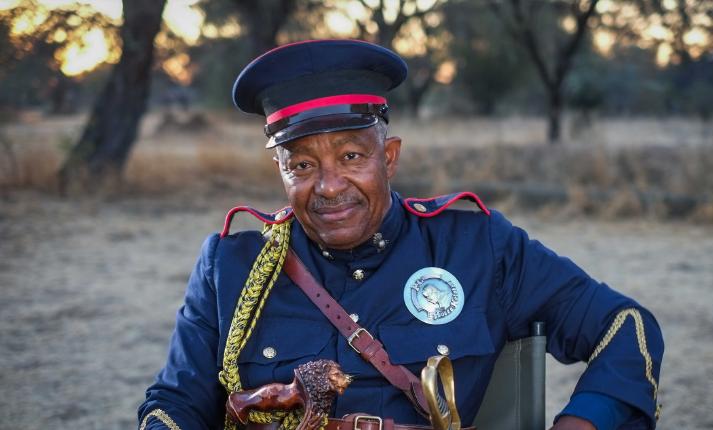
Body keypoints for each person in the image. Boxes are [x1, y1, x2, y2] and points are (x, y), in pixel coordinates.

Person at [138, 39, 663, 430]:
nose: (328, 186)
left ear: (388, 158)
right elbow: (174, 403)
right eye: (301, 165)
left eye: (351, 156)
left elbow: (625, 325)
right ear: (282, 173)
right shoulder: (231, 265)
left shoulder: (477, 247)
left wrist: (581, 424)